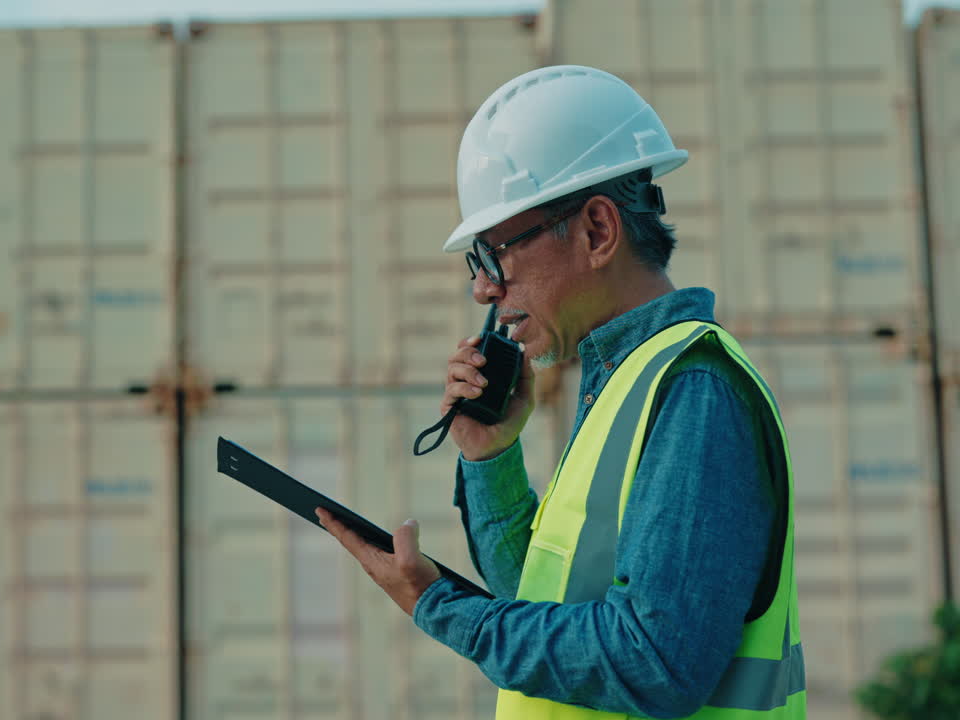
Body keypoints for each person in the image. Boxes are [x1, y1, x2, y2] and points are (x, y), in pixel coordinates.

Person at [316, 65, 806, 719]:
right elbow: (548, 612)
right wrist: (491, 459)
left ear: (598, 231)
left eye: (495, 254)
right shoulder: (625, 386)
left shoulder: (694, 393)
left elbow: (655, 663)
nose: (482, 290)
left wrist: (446, 610)